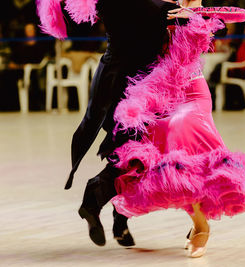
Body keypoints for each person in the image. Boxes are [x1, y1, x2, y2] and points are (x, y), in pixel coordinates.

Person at [110, 2, 245, 258]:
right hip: (166, 91)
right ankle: (197, 220)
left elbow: (241, 14)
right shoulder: (159, 10)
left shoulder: (198, 12)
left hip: (194, 92)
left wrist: (195, 14)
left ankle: (201, 226)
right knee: (166, 141)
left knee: (179, 129)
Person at [37, 0, 185, 247]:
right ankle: (93, 203)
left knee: (129, 155)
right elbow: (155, 11)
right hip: (129, 87)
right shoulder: (144, 7)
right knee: (133, 155)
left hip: (118, 80)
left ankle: (119, 220)